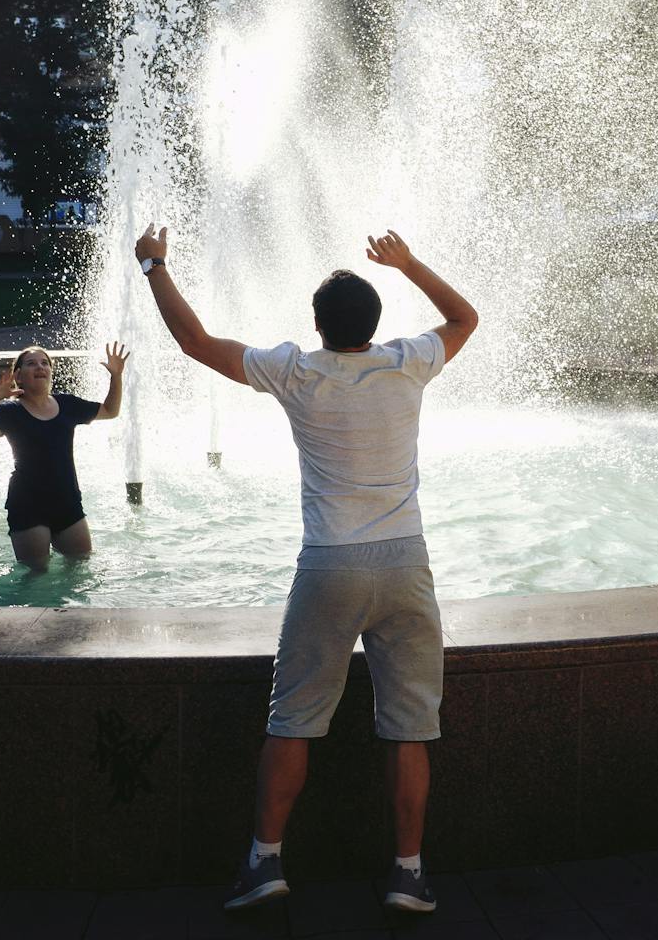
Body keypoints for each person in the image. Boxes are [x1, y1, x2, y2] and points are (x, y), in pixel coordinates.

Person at [132, 224, 477, 916]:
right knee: (410, 727)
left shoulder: (297, 370)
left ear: (316, 326)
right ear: (375, 324)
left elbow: (195, 343)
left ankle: (265, 862)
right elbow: (465, 317)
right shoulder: (409, 362)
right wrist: (408, 262)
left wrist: (154, 266)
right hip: (407, 563)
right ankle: (408, 872)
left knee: (292, 719)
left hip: (329, 568)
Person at [0, 342, 128, 571]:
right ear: (19, 377)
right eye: (31, 363)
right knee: (37, 575)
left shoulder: (67, 404)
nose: (40, 367)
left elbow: (111, 411)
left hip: (68, 502)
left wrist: (116, 376)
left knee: (80, 568)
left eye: (45, 363)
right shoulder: (10, 412)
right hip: (28, 505)